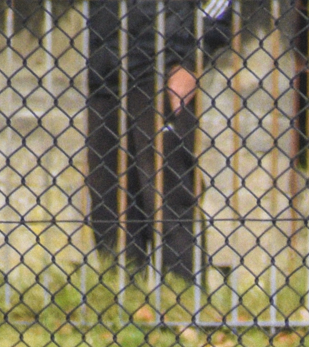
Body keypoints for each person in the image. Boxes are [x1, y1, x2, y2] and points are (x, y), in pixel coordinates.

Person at [89, 0, 236, 281]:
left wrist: (191, 58)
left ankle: (182, 294)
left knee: (167, 187)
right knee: (107, 192)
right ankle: (121, 295)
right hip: (104, 66)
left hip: (162, 65)